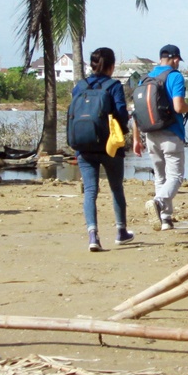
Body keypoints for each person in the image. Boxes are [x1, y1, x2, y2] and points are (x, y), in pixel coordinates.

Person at [68, 47, 135, 252]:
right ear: (112, 66)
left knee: (90, 190)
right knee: (116, 188)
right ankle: (121, 232)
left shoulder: (79, 86)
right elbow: (121, 113)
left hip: (84, 145)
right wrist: (124, 130)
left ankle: (92, 235)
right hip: (109, 145)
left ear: (92, 64)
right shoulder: (113, 86)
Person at [130, 43, 188, 231]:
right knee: (176, 177)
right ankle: (158, 203)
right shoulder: (175, 76)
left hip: (150, 134)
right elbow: (178, 107)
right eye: (178, 60)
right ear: (175, 59)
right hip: (171, 133)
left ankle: (165, 220)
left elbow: (136, 112)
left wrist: (136, 139)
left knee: (160, 177)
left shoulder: (145, 79)